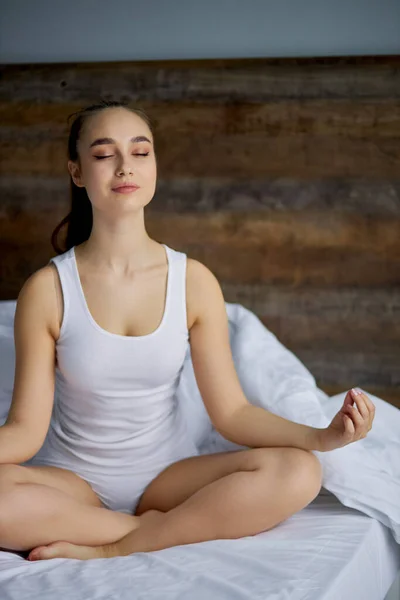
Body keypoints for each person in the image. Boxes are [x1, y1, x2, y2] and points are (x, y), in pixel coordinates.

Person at [0, 100, 375, 561]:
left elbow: (232, 413)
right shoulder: (47, 289)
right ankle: (147, 532)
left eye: (140, 152)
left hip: (168, 477)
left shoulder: (193, 280)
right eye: (103, 155)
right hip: (72, 482)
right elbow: (24, 432)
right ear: (76, 172)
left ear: (154, 165)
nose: (124, 167)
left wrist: (321, 437)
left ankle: (113, 547)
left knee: (299, 471)